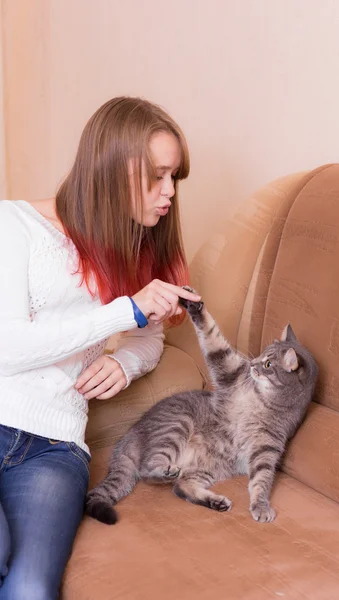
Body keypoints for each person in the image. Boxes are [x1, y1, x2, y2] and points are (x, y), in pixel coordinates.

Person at [0, 96, 200, 599]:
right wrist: (122, 312)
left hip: (54, 448)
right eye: (157, 176)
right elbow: (7, 347)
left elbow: (150, 334)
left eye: (174, 177)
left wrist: (125, 360)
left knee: (31, 589)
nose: (169, 192)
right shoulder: (14, 225)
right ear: (111, 170)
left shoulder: (134, 248)